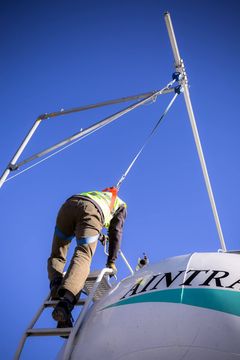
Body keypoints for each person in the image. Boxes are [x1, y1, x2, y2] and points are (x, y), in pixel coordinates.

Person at [47, 187, 127, 328]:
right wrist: (111, 262)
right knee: (83, 254)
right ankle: (66, 302)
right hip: (91, 212)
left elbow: (82, 215)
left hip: (68, 207)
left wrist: (100, 235)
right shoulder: (120, 204)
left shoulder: (97, 194)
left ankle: (56, 287)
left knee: (57, 254)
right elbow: (116, 232)